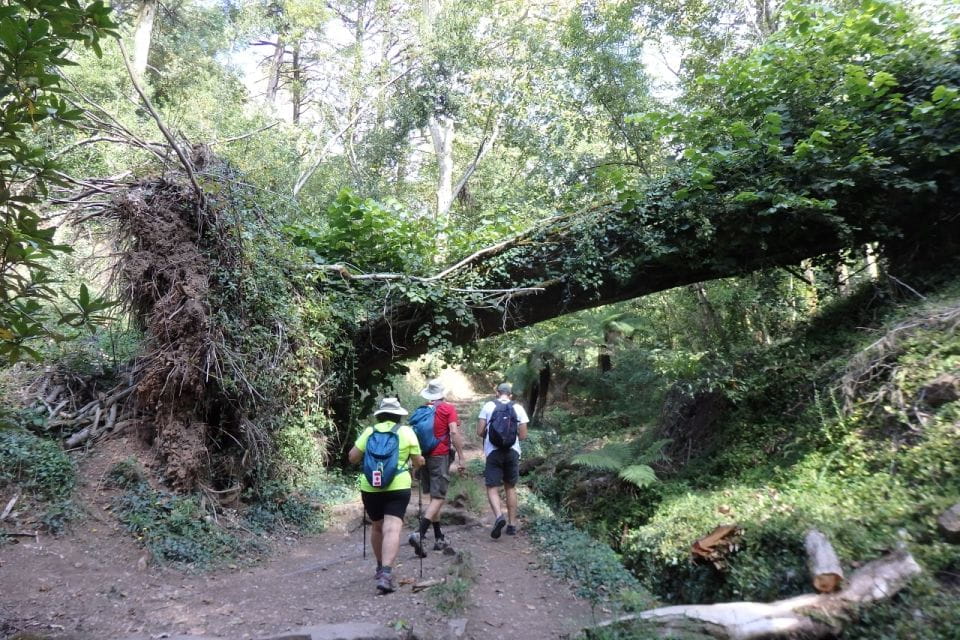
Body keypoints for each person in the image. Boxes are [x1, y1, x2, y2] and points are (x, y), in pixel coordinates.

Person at [348, 397, 424, 594]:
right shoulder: (406, 432)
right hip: (397, 485)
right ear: (399, 415)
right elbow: (417, 461)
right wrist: (419, 464)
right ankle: (387, 574)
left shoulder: (369, 432)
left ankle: (380, 566)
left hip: (371, 487)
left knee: (377, 526)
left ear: (380, 415)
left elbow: (352, 457)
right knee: (392, 528)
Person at [408, 379, 466, 556]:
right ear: (442, 393)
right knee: (439, 497)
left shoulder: (422, 410)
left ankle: (439, 537)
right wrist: (461, 457)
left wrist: (415, 462)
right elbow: (454, 432)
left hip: (423, 456)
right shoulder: (447, 409)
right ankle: (420, 532)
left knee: (433, 497)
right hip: (440, 456)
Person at [477, 382, 529, 538]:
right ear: (510, 395)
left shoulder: (488, 406)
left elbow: (479, 431)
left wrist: (493, 436)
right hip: (512, 452)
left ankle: (499, 517)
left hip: (493, 452)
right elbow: (523, 435)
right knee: (510, 487)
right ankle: (512, 525)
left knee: (492, 486)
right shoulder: (518, 408)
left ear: (497, 393)